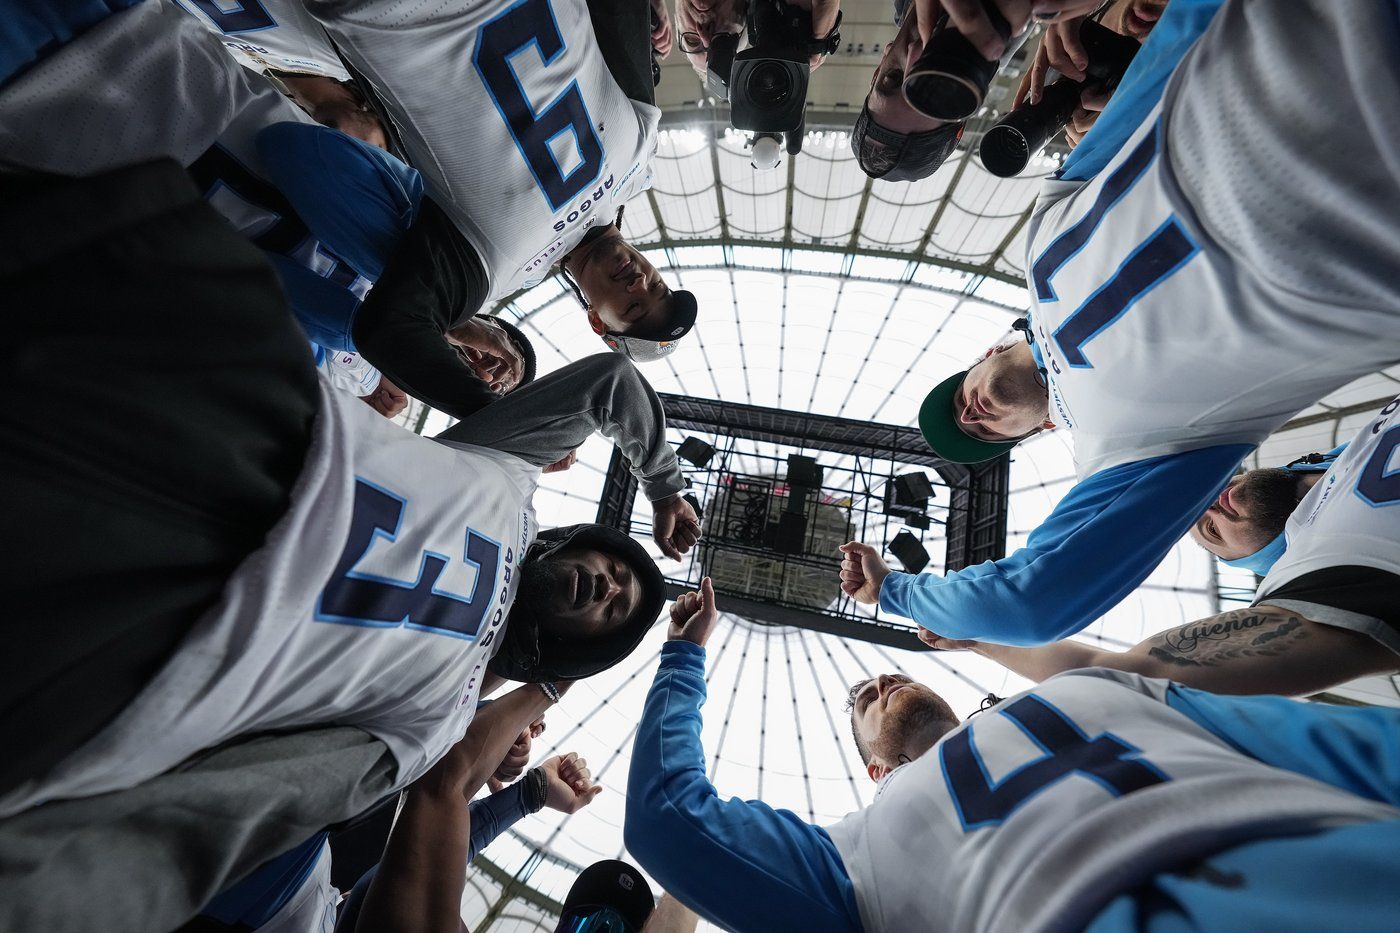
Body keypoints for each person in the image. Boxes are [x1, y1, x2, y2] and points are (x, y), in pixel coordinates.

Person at [0, 158, 699, 929]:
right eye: (613, 569)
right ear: (577, 540)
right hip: (206, 413)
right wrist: (665, 483)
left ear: (568, 653)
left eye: (614, 609)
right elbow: (610, 385)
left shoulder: (439, 717)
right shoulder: (505, 476)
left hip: (139, 623)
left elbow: (264, 798)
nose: (608, 585)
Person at [840, 0, 1400, 646]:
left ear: (989, 348)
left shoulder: (1042, 232)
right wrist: (894, 589)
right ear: (1041, 429)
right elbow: (1031, 602)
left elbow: (1166, 66)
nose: (969, 414)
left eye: (959, 397)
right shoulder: (1119, 457)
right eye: (984, 432)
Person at [623, 579, 1400, 932]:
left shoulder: (1102, 688)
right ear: (874, 771)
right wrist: (684, 657)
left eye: (888, 673)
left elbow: (1344, 749)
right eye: (867, 702)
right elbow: (667, 820)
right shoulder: (850, 855)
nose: (884, 678)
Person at [922, 395, 1400, 696]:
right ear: (1262, 568)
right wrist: (981, 638)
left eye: (1202, 511)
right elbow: (1123, 673)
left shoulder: (1351, 447)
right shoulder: (1318, 573)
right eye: (1213, 532)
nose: (1210, 507)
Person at [851, 0, 1102, 181]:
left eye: (893, 78)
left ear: (877, 69)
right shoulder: (1055, 13)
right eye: (940, 86)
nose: (917, 51)